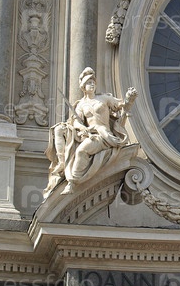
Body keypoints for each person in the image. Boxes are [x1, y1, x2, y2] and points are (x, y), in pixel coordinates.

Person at [44, 68, 137, 196]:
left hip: (104, 135)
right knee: (68, 138)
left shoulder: (104, 98)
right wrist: (84, 129)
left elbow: (122, 105)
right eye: (89, 82)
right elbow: (76, 122)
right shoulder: (81, 105)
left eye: (93, 82)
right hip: (91, 134)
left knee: (81, 151)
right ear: (83, 86)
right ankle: (65, 170)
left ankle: (72, 182)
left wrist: (129, 98)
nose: (92, 84)